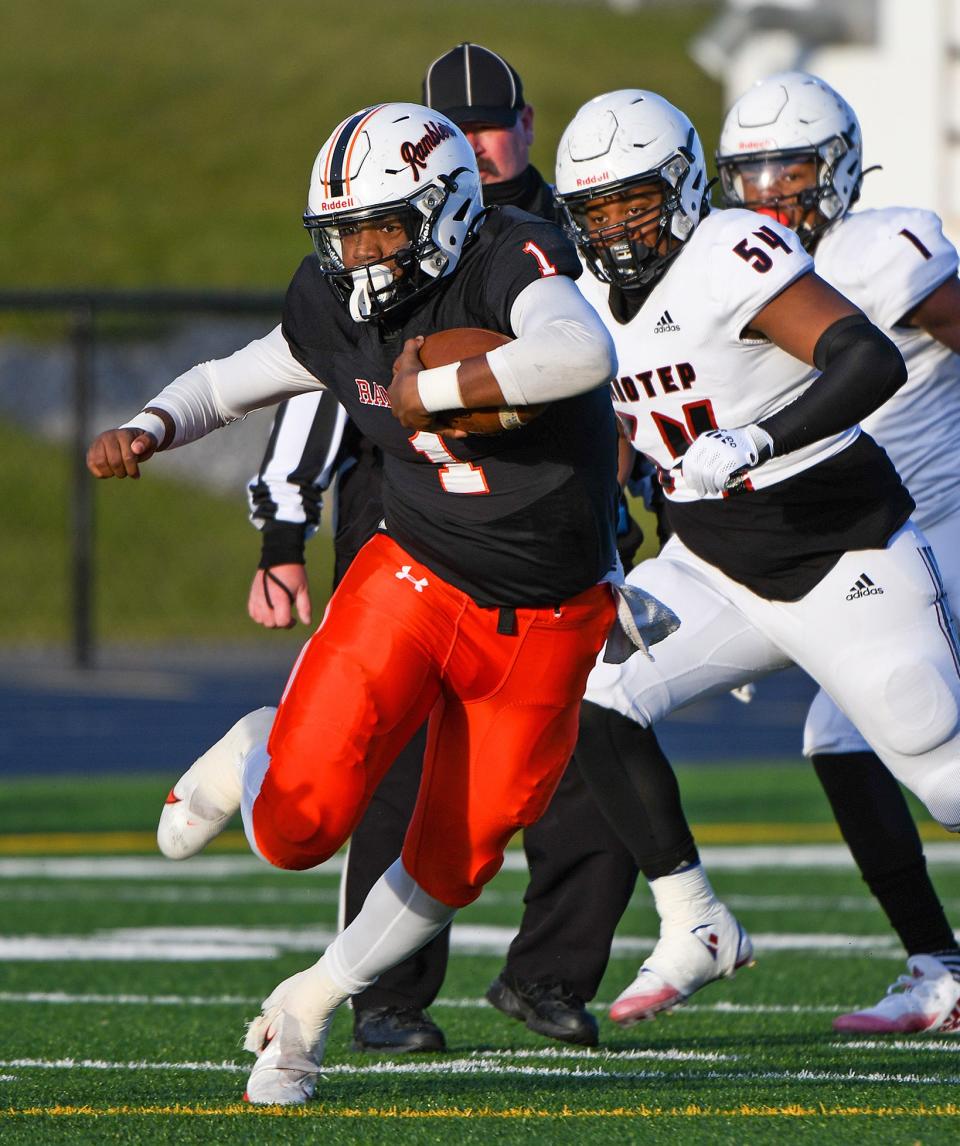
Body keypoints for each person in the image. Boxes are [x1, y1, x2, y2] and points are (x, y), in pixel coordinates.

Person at [86, 101, 670, 1105]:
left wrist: (439, 393)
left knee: (459, 860)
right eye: (342, 233)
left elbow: (581, 357)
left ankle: (309, 1007)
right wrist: (151, 422)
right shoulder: (334, 298)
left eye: (383, 228)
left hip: (550, 614)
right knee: (296, 830)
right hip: (415, 576)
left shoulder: (507, 253)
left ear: (445, 212)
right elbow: (241, 378)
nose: (358, 255)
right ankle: (254, 744)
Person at [247, 42, 642, 1052]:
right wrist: (283, 531)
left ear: (529, 126)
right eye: (459, 128)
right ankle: (386, 993)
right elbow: (325, 372)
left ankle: (550, 975)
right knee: (392, 761)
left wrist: (643, 513)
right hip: (415, 530)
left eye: (495, 122)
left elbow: (641, 361)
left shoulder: (572, 229)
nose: (482, 141)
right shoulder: (385, 229)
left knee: (589, 761)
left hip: (558, 538)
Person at [547, 88, 960, 1027]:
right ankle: (694, 921)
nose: (614, 230)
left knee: (944, 780)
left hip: (840, 547)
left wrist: (760, 439)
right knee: (594, 686)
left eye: (634, 203)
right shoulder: (580, 292)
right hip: (715, 563)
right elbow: (618, 421)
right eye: (596, 211)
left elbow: (869, 360)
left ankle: (940, 963)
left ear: (684, 189)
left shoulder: (734, 250)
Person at [715, 70, 960, 1034]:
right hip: (852, 537)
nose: (773, 197)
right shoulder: (728, 267)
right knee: (848, 737)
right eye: (754, 176)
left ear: (838, 171)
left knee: (869, 735)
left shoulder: (880, 245)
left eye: (792, 174)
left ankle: (940, 968)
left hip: (938, 521)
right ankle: (939, 966)